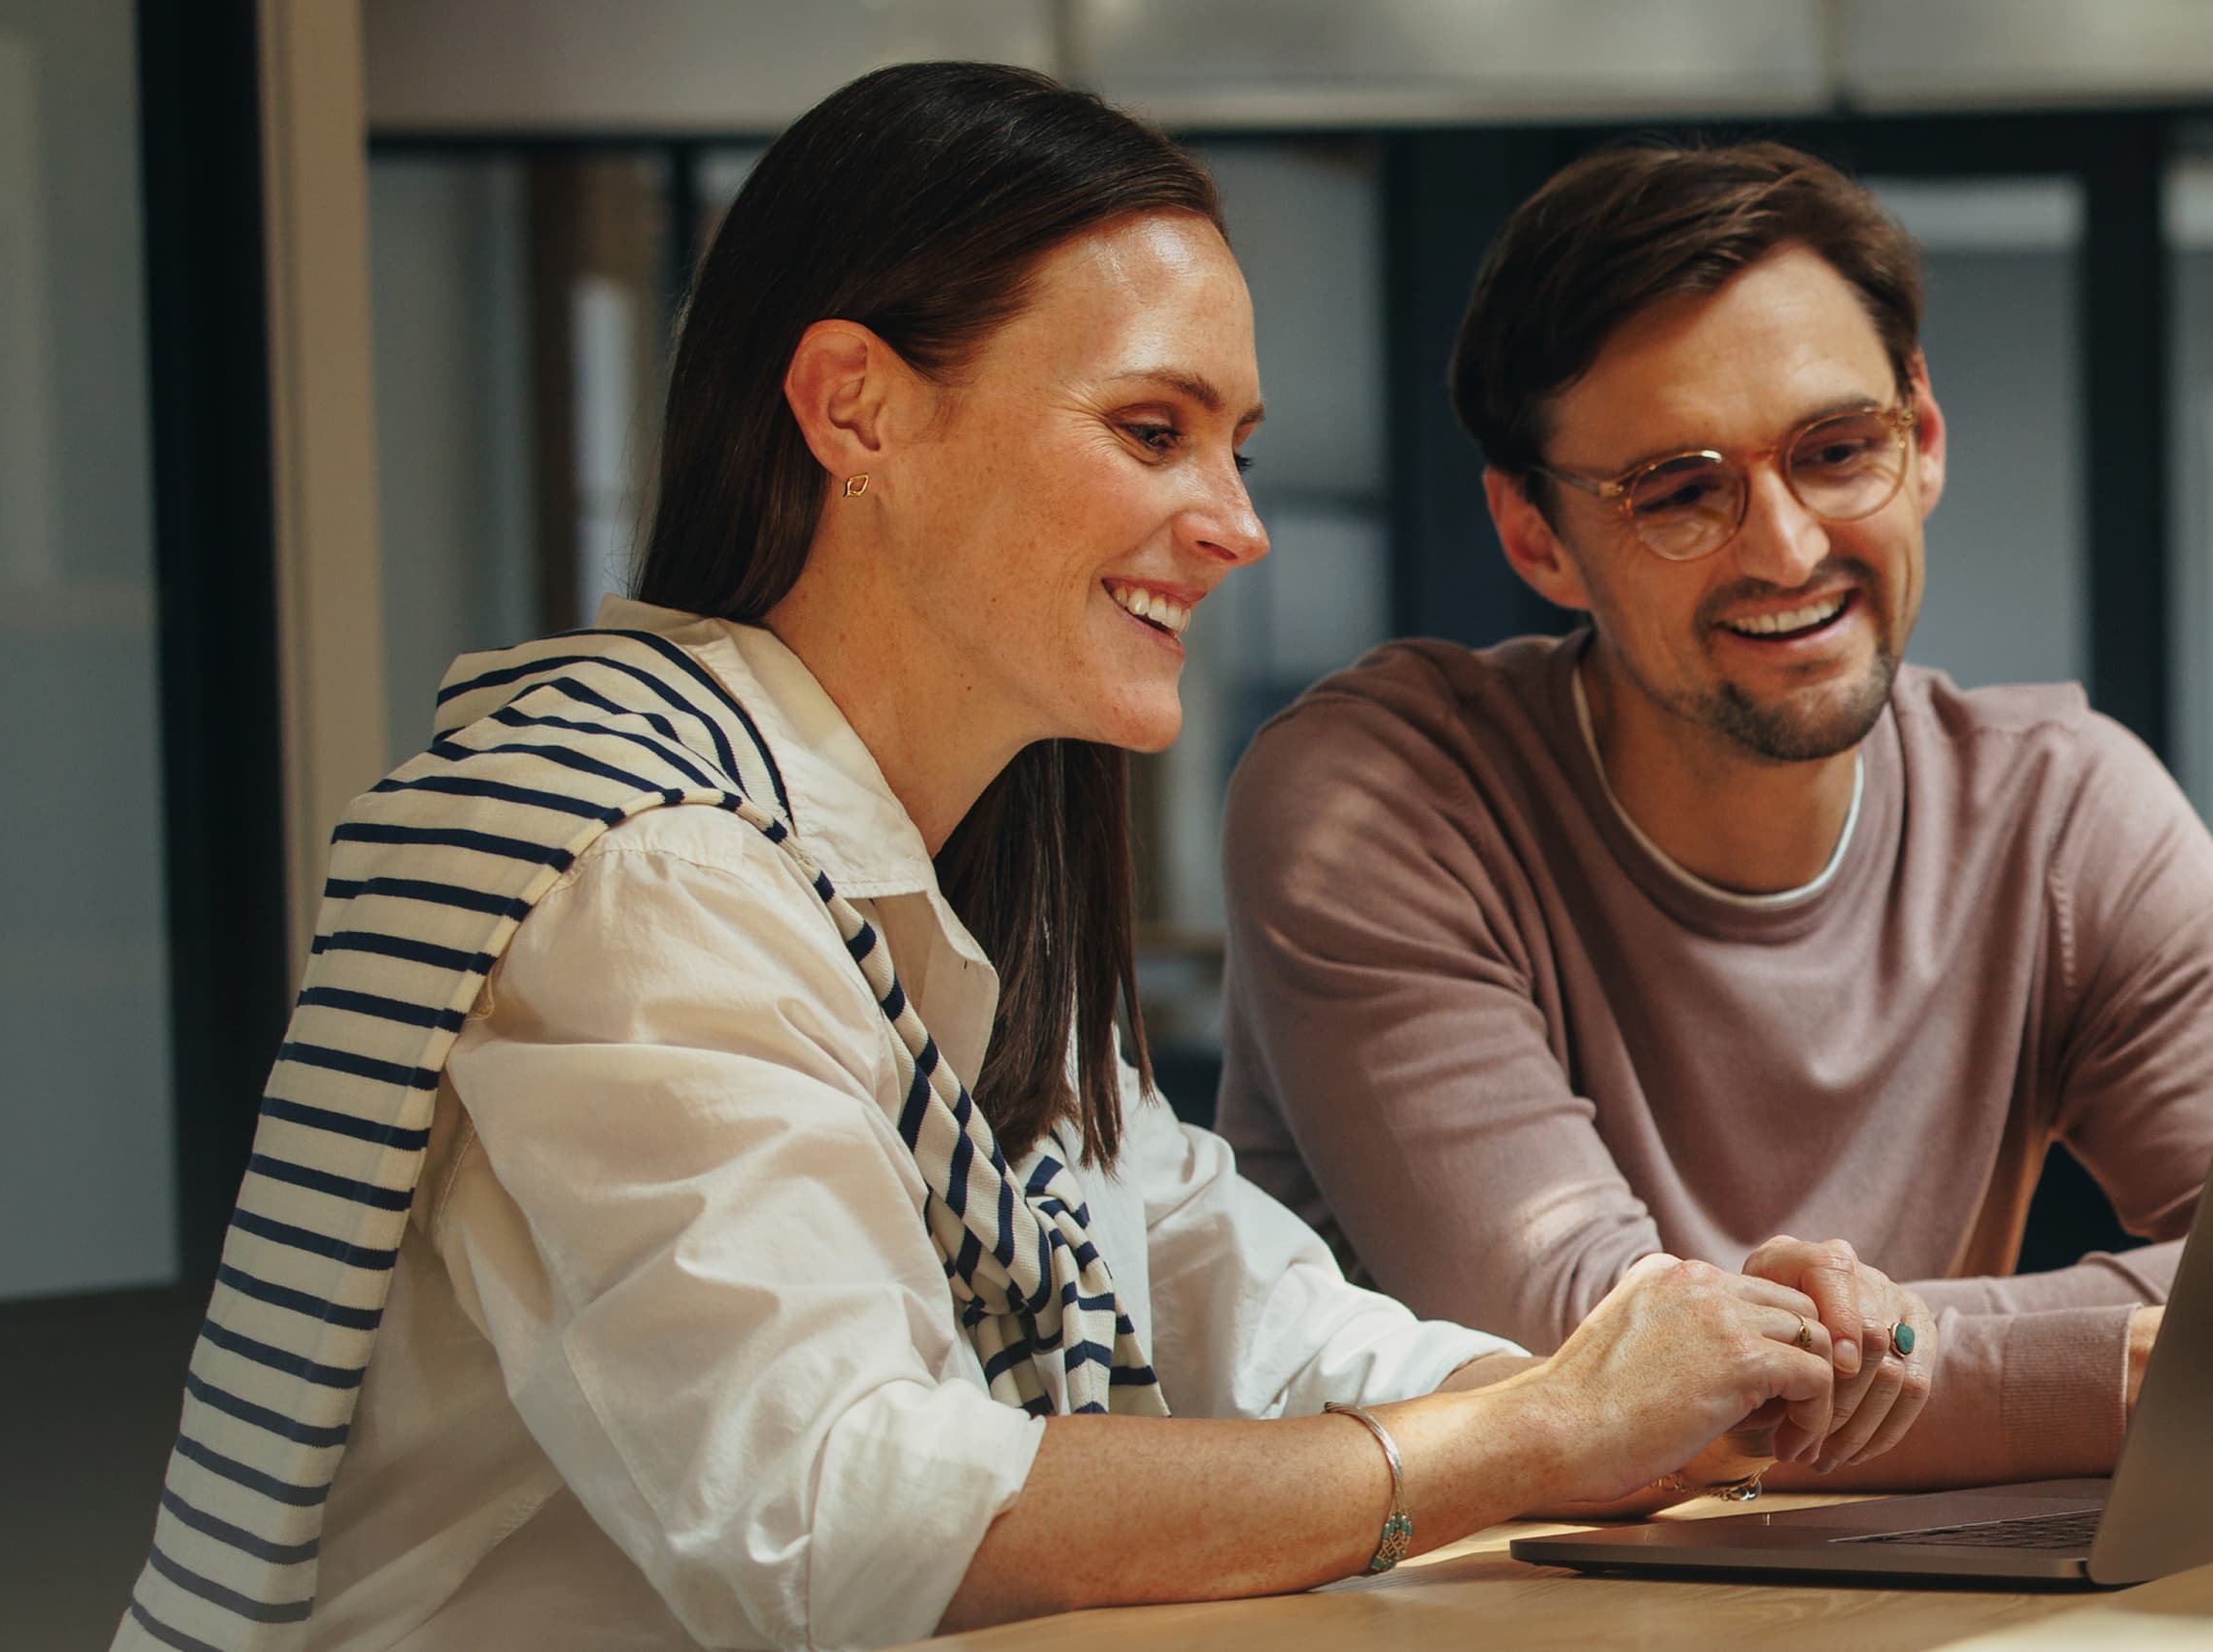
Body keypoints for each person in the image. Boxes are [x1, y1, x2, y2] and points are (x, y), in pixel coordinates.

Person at [116, 68, 1877, 1652]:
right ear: (856, 410)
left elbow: (1234, 1300)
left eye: (1239, 448)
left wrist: (1616, 1394)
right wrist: (1530, 1439)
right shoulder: (643, 875)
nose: (1240, 524)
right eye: (1151, 431)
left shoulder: (938, 879)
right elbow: (840, 1516)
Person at [1215, 141, 2213, 1492]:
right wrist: (2124, 1364)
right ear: (1536, 535)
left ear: (1924, 440)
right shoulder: (1379, 801)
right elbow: (1605, 1378)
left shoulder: (2062, 808)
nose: (1785, 547)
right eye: (1678, 492)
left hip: (1852, 1594)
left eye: (1839, 452)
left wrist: (1920, 1355)